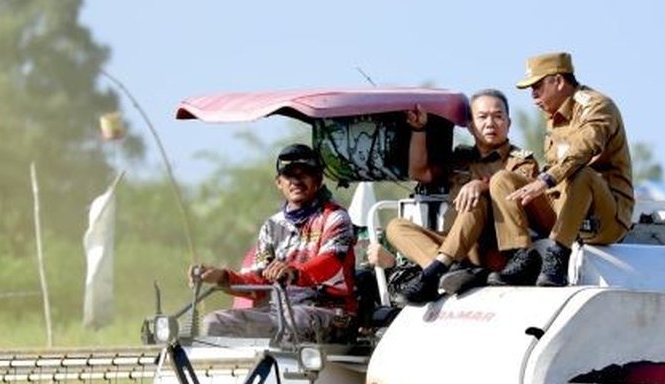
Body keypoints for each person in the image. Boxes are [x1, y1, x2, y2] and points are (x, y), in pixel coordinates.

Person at [366, 89, 554, 304]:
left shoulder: (521, 161)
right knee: (396, 227)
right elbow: (420, 173)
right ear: (471, 126)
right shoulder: (460, 158)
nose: (491, 123)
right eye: (482, 117)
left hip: (492, 250)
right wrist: (419, 130)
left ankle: (434, 273)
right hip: (454, 247)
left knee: (474, 202)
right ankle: (451, 272)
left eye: (498, 116)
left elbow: (520, 193)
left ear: (508, 123)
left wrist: (482, 185)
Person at [191, 144, 357, 341]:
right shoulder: (271, 226)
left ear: (318, 180)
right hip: (278, 314)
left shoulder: (336, 217)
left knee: (294, 321)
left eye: (304, 174)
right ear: (279, 182)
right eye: (289, 175)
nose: (296, 181)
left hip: (330, 313)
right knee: (214, 322)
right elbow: (257, 282)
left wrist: (294, 272)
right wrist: (221, 277)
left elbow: (330, 262)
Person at [507, 51, 635, 286]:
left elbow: (583, 149)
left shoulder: (596, 106)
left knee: (582, 173)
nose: (533, 95)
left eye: (537, 86)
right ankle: (520, 256)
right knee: (504, 180)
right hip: (565, 209)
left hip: (605, 217)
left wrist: (545, 180)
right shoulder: (552, 115)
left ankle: (557, 258)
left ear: (558, 81)